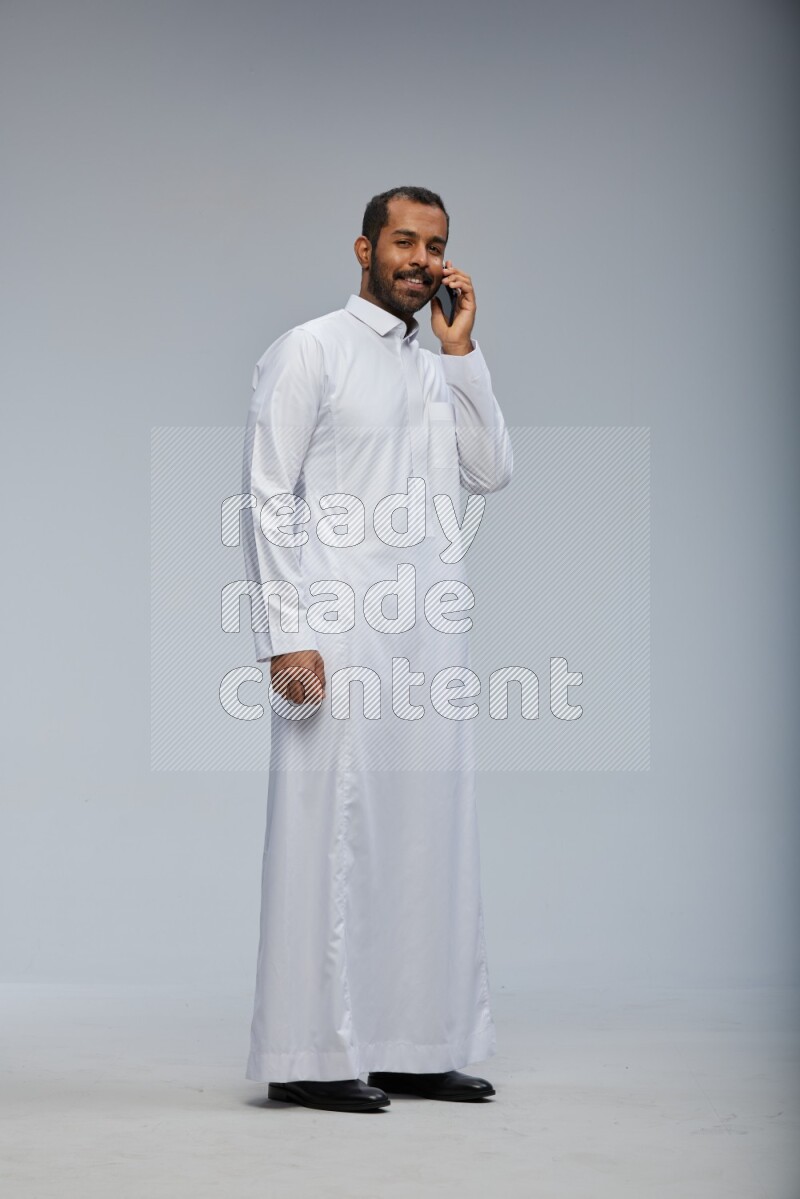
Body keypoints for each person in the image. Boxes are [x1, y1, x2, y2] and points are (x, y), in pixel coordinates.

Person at [240, 186, 513, 1113]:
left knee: (425, 835)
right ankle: (307, 1055)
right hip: (337, 630)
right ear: (364, 248)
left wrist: (463, 349)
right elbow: (270, 494)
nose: (422, 260)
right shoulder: (310, 349)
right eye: (405, 240)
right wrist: (288, 636)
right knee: (330, 837)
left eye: (436, 245)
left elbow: (492, 470)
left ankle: (412, 1041)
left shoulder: (438, 366)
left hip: (429, 636)